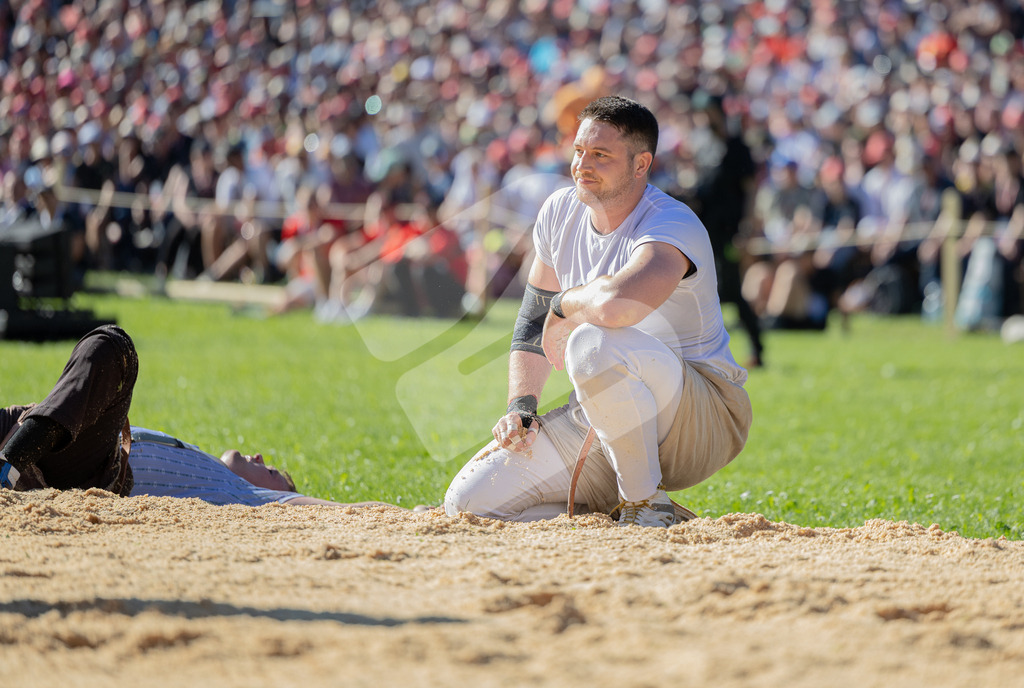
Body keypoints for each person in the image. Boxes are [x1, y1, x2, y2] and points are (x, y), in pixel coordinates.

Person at [444, 96, 752, 528]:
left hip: (703, 412)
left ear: (641, 165)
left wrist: (563, 304)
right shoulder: (558, 210)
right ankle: (625, 514)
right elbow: (533, 323)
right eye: (579, 152)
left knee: (592, 340)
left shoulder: (671, 222)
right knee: (468, 504)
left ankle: (646, 504)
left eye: (601, 155)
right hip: (607, 407)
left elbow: (615, 307)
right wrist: (522, 407)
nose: (582, 165)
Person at [1, 325, 138, 494]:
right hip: (80, 444)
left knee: (110, 345)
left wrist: (13, 456)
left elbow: (112, 346)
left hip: (149, 459)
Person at [126, 427, 383, 507]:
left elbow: (346, 509)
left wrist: (412, 513)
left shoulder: (241, 494)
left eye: (271, 473)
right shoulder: (212, 469)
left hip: (100, 459)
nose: (259, 455)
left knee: (109, 347)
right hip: (99, 431)